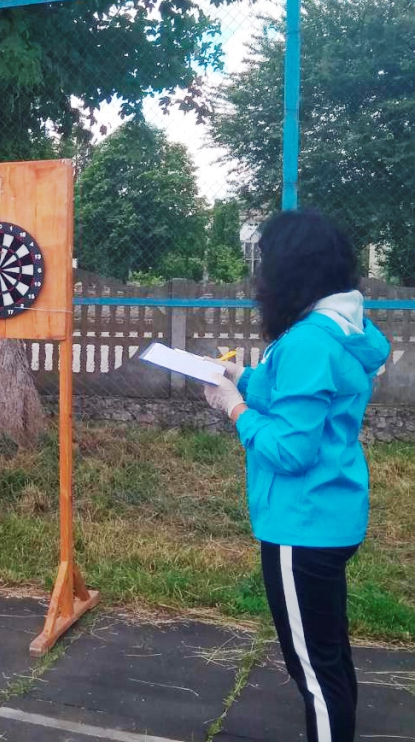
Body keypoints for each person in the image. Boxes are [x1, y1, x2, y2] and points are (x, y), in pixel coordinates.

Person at [203, 210, 390, 742]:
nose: (261, 279)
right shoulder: (346, 328)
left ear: (291, 269)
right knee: (329, 657)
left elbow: (289, 449)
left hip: (300, 525)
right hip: (333, 513)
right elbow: (301, 396)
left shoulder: (308, 339)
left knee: (314, 672)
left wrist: (234, 407)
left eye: (267, 264)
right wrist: (242, 376)